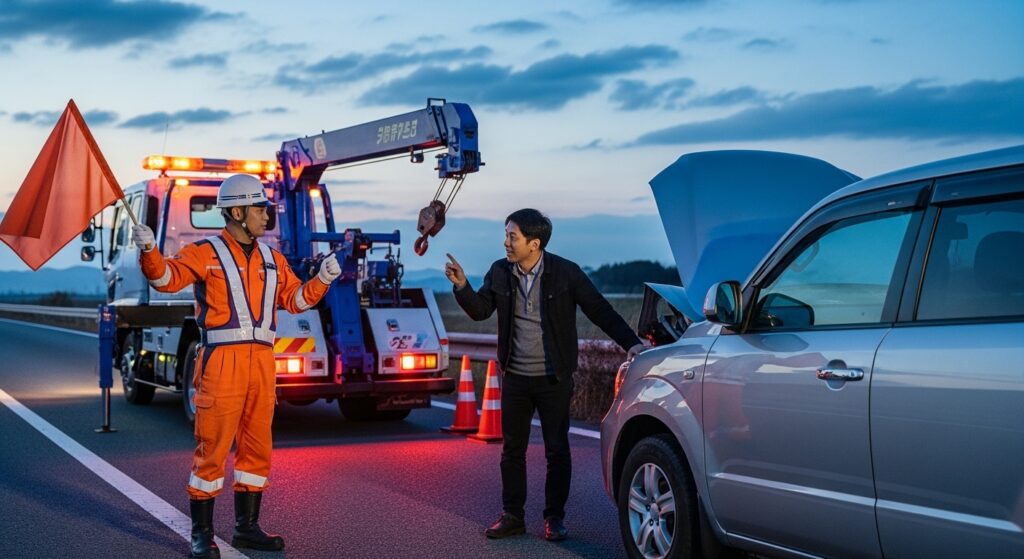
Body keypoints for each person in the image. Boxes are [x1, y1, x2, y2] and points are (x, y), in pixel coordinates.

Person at [130, 174, 340, 559]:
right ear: (238, 211)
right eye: (260, 209)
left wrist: (322, 279)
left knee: (258, 448)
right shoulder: (203, 252)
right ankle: (202, 534)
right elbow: (164, 279)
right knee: (212, 449)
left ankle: (247, 529)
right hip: (220, 363)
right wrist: (149, 252)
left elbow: (295, 301)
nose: (267, 216)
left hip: (261, 363)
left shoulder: (272, 260)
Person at [444, 208, 644, 542]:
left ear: (534, 243)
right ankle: (512, 516)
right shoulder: (499, 272)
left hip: (554, 379)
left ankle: (555, 518)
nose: (506, 242)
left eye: (513, 236)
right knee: (512, 451)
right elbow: (480, 311)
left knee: (557, 451)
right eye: (506, 235)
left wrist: (631, 344)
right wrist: (462, 286)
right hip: (516, 378)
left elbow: (600, 310)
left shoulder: (566, 273)